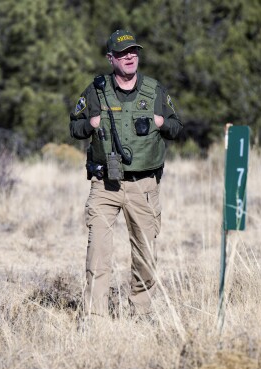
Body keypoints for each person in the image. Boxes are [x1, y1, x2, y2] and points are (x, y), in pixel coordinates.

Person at [69, 29, 183, 320]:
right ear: (111, 59)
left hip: (143, 185)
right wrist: (91, 124)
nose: (130, 56)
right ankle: (94, 319)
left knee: (145, 256)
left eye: (133, 51)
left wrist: (160, 122)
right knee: (98, 254)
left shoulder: (155, 90)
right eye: (122, 53)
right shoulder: (95, 91)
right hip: (105, 184)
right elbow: (74, 127)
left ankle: (141, 316)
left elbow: (176, 128)